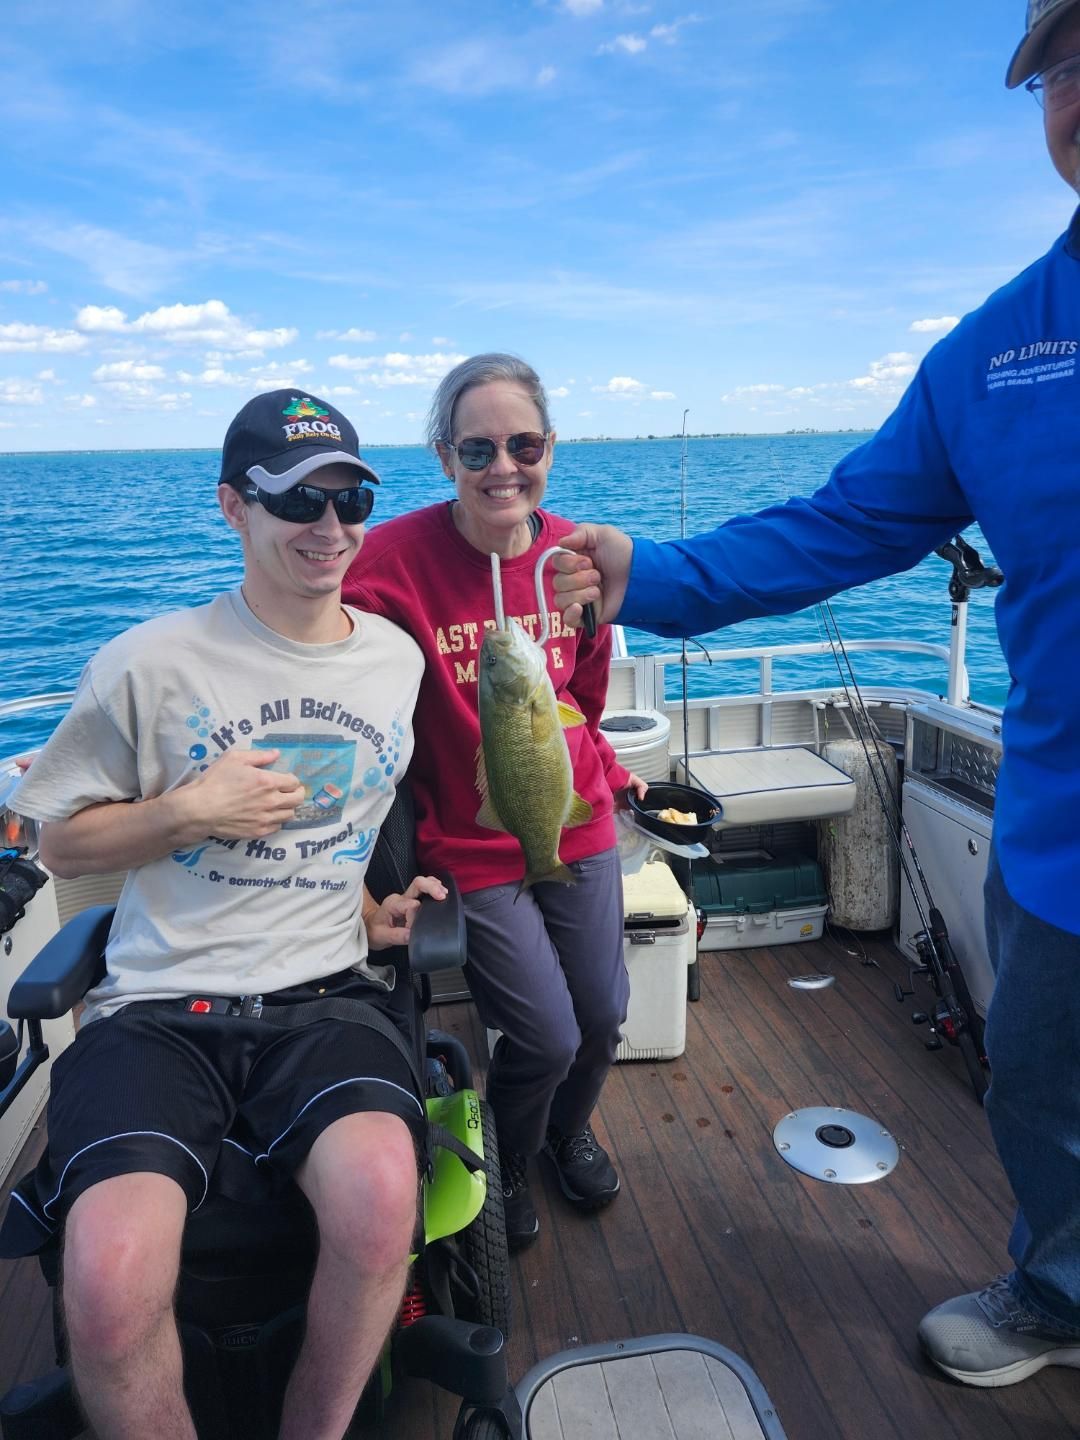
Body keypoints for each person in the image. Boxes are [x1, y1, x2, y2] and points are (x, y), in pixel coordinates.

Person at [551, 1, 1080, 1390]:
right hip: (1064, 833)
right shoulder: (996, 352)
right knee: (1047, 1087)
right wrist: (650, 572)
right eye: (1062, 69)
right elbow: (846, 524)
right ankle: (1061, 1294)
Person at [3, 389, 444, 1440]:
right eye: (297, 501)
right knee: (108, 1278)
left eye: (350, 500)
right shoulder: (148, 663)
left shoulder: (396, 662)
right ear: (233, 507)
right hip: (161, 1006)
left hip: (322, 997)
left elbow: (351, 819)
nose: (329, 527)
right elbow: (58, 843)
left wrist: (375, 905)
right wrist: (187, 812)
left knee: (384, 1199)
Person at [343, 353, 647, 1252]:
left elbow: (584, 693)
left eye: (523, 445)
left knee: (603, 1018)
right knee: (545, 1035)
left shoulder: (575, 557)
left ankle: (565, 1130)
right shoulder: (389, 562)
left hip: (574, 818)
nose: (502, 467)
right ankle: (511, 1155)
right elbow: (319, 641)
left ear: (550, 447)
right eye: (477, 449)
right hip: (471, 841)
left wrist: (604, 773)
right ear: (445, 456)